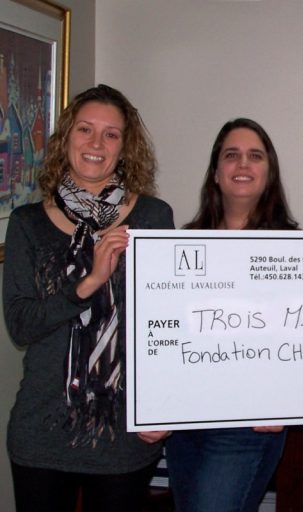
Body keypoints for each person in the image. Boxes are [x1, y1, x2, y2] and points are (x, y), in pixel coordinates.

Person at [3, 84, 174, 512]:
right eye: (85, 130)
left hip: (122, 436)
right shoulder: (27, 224)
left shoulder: (153, 217)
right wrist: (91, 280)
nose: (96, 144)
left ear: (124, 147)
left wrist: (164, 407)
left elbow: (169, 325)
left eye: (111, 134)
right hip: (43, 432)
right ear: (66, 139)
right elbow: (21, 325)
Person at [164, 118, 296, 512]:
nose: (243, 164)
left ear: (268, 174)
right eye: (231, 155)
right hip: (185, 423)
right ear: (216, 174)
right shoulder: (182, 247)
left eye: (255, 156)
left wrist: (291, 401)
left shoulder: (295, 251)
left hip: (247, 424)